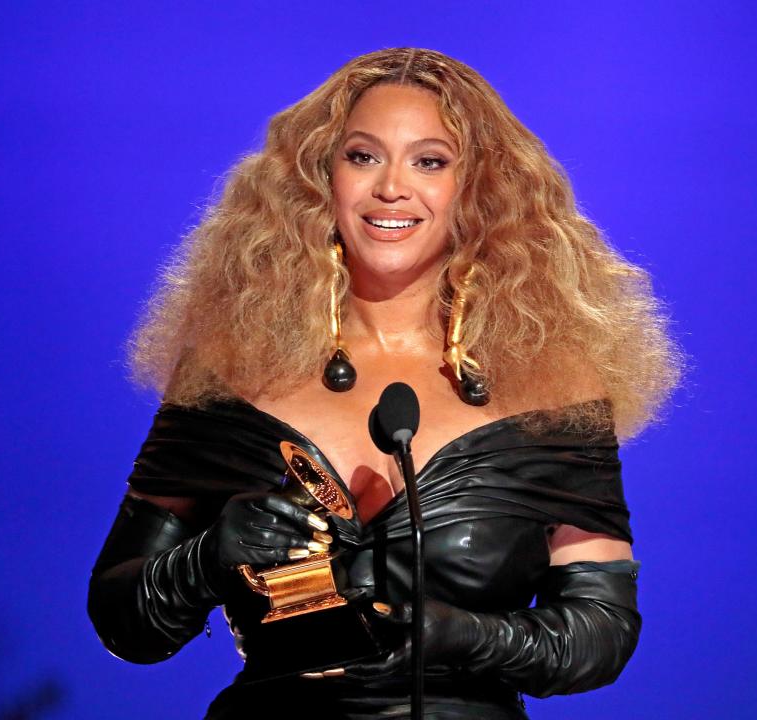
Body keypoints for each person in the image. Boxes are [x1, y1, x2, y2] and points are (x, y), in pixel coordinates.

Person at [87, 48, 683, 719]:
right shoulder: (230, 372)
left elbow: (601, 632)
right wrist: (202, 563)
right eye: (363, 156)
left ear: (478, 186)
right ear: (320, 177)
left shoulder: (554, 388)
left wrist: (460, 633)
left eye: (430, 161)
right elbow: (122, 620)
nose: (391, 188)